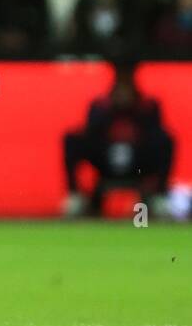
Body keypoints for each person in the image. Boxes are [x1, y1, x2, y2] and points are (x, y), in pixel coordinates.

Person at [63, 61, 175, 218]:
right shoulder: (100, 107)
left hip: (138, 161)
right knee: (72, 139)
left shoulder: (147, 107)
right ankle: (75, 195)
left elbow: (155, 136)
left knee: (166, 141)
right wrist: (111, 108)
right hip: (105, 159)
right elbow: (91, 134)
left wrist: (133, 109)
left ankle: (159, 195)